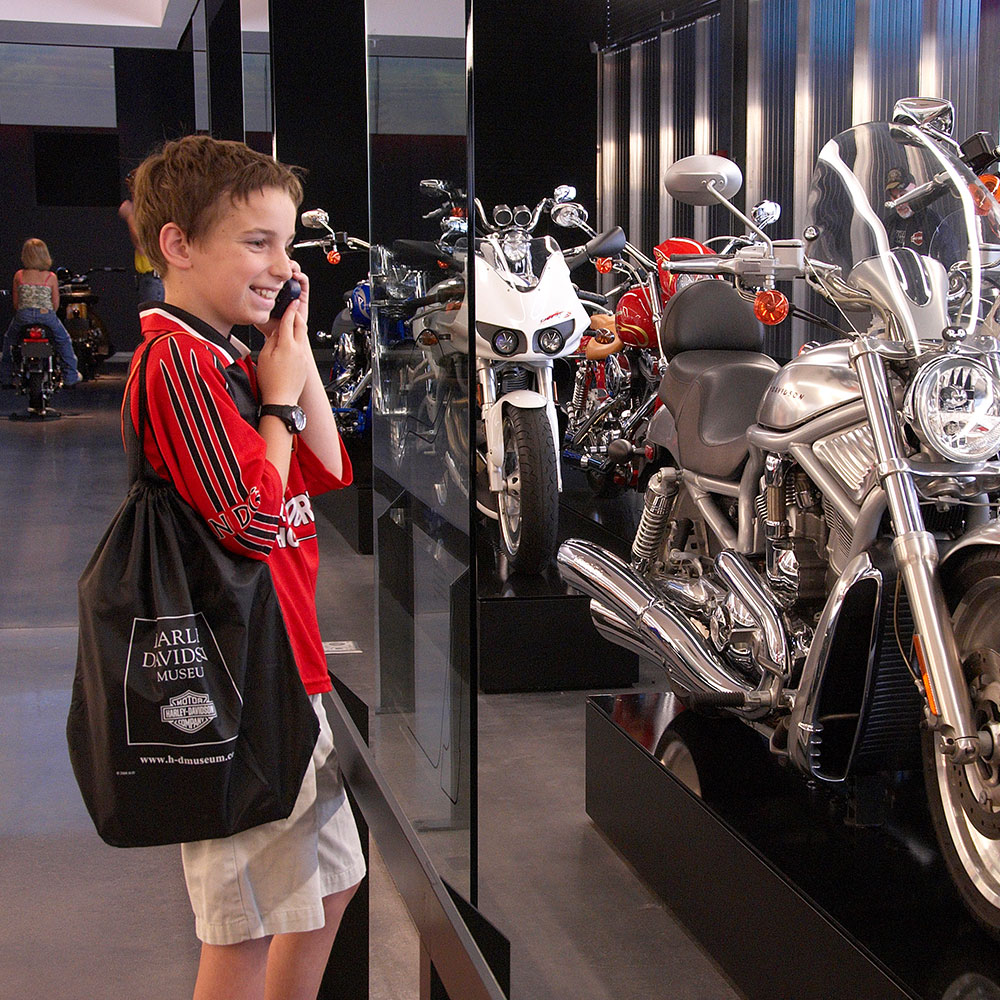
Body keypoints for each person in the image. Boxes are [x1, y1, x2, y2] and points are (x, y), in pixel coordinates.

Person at [129, 134, 366, 1000]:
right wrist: (277, 398)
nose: (280, 264)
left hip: (288, 668)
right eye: (256, 242)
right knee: (246, 927)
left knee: (328, 889)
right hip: (239, 684)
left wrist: (290, 355)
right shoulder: (177, 362)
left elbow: (329, 468)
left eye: (287, 244)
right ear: (179, 245)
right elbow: (254, 522)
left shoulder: (232, 352)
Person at [0, 238, 81, 387]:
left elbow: (16, 303)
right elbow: (55, 304)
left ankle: (5, 378)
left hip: (23, 316)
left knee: (9, 341)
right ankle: (70, 376)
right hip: (46, 315)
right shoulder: (51, 277)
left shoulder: (19, 275)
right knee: (64, 341)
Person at [119, 171, 165, 303]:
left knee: (154, 316)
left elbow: (141, 244)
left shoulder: (153, 210)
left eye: (134, 189)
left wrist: (129, 215)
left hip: (154, 279)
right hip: (149, 279)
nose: (132, 194)